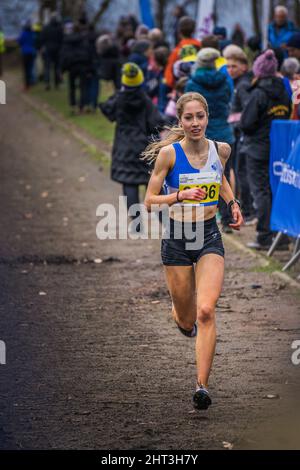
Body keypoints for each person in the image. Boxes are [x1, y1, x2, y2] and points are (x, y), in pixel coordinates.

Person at [143, 92, 243, 410]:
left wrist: (232, 203)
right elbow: (148, 200)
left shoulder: (221, 149)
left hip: (209, 235)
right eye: (189, 117)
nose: (195, 123)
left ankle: (201, 385)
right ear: (181, 121)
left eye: (200, 116)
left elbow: (222, 178)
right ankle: (181, 319)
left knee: (206, 311)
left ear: (207, 117)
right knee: (187, 320)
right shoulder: (169, 155)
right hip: (177, 238)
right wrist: (179, 196)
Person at [99, 63, 165, 230]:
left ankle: (137, 224)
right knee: (151, 182)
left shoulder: (119, 98)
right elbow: (156, 122)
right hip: (143, 145)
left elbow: (107, 110)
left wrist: (119, 93)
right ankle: (163, 220)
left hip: (124, 145)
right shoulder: (145, 100)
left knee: (129, 183)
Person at [240, 49, 291, 250]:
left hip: (257, 149)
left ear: (258, 71)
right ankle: (281, 235)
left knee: (260, 191)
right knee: (276, 190)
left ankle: (264, 236)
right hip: (279, 148)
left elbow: (247, 123)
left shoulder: (259, 93)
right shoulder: (283, 91)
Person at [185, 48, 235, 233]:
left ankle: (200, 218)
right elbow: (230, 99)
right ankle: (228, 217)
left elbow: (186, 108)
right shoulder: (225, 80)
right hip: (224, 132)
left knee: (197, 175)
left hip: (201, 135)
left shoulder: (192, 83)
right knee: (224, 175)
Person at [227, 51, 255, 224]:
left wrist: (234, 120)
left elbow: (247, 110)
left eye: (234, 66)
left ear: (244, 67)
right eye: (228, 66)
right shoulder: (237, 83)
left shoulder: (243, 85)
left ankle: (249, 209)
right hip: (237, 132)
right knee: (238, 171)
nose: (230, 69)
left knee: (241, 172)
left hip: (241, 134)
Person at [164, 16, 201, 89]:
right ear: (194, 31)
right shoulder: (201, 48)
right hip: (200, 87)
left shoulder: (177, 51)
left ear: (179, 32)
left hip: (181, 90)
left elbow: (169, 78)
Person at [40, 13, 64, 90]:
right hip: (58, 49)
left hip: (48, 49)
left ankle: (47, 83)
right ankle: (57, 84)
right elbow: (62, 39)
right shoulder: (59, 28)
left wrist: (42, 47)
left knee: (47, 67)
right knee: (57, 67)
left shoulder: (46, 28)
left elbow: (42, 38)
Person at [18, 20, 37, 90]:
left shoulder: (23, 33)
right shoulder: (32, 33)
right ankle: (31, 82)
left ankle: (27, 85)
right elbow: (35, 41)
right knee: (31, 68)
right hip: (32, 52)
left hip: (25, 53)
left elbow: (19, 41)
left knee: (26, 70)